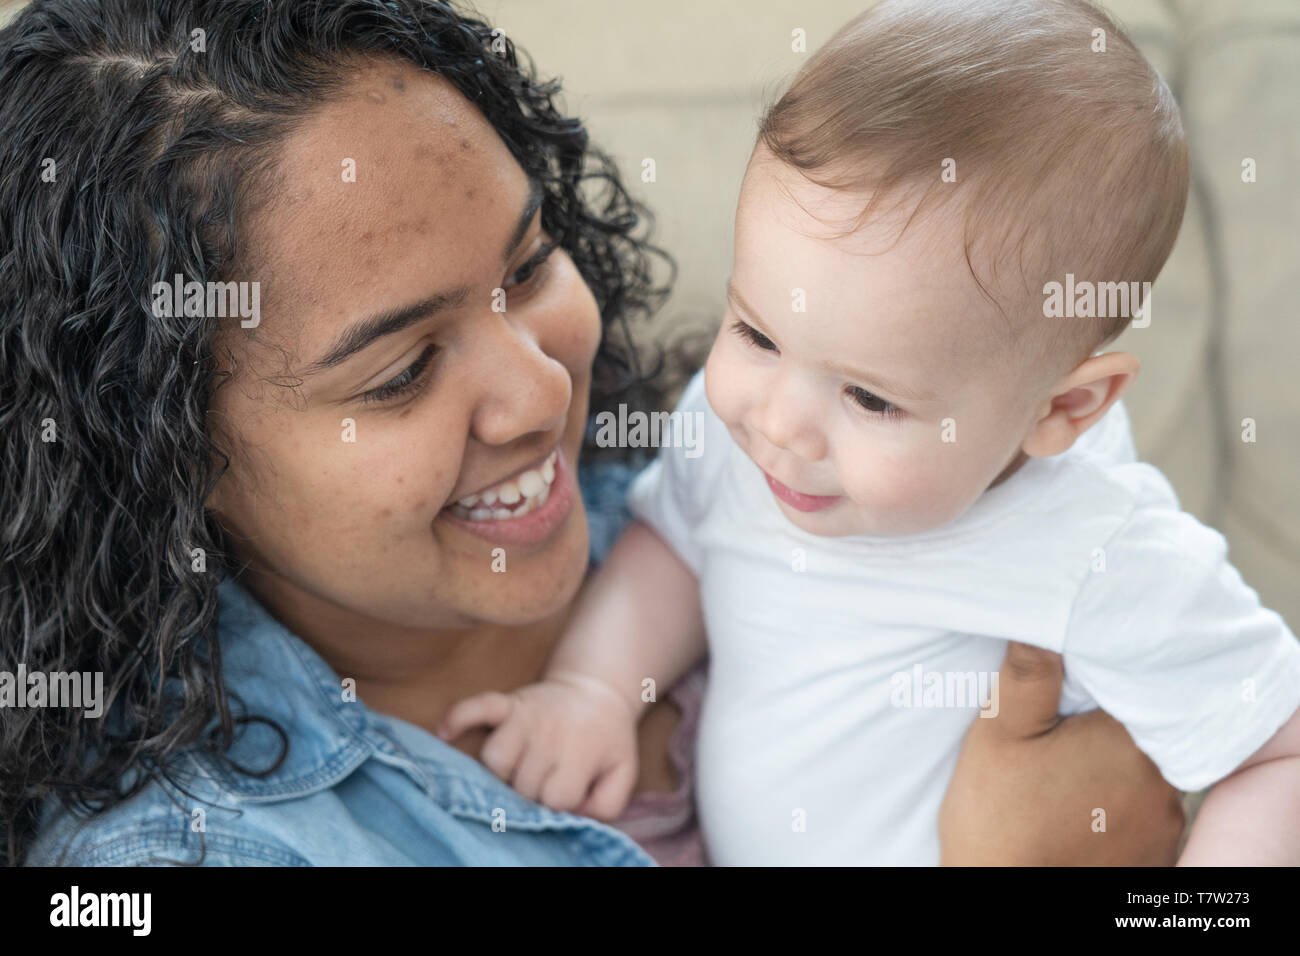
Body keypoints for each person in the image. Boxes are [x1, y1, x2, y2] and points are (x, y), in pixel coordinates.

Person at [2, 0, 1182, 867]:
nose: (538, 392)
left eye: (527, 263)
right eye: (402, 370)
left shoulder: (760, 467)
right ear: (159, 454)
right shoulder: (186, 858)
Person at [438, 0, 1300, 865]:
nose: (778, 424)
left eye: (872, 400)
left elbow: (1279, 752)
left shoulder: (1099, 552)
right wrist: (594, 690)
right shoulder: (742, 431)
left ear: (1060, 412)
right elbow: (675, 541)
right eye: (756, 334)